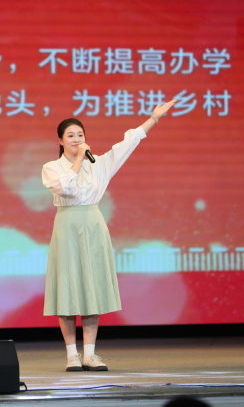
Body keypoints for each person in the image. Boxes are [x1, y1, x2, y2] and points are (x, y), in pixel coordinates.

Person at [41, 99, 177, 372]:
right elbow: (65, 188)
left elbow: (128, 142)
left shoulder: (99, 164)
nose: (77, 139)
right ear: (60, 140)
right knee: (67, 289)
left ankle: (90, 354)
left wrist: (154, 119)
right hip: (66, 226)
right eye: (71, 135)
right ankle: (72, 355)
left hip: (93, 224)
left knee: (91, 288)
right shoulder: (51, 167)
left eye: (80, 135)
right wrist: (79, 160)